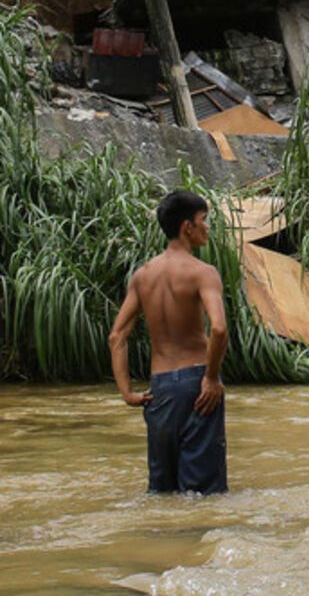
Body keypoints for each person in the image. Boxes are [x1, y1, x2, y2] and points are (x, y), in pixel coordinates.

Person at [108, 190, 229, 494]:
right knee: (201, 494)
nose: (207, 226)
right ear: (187, 226)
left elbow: (116, 336)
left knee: (162, 492)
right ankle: (198, 540)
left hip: (159, 389)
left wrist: (126, 393)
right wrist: (211, 378)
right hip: (196, 385)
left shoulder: (142, 276)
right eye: (204, 219)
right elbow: (218, 328)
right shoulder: (203, 273)